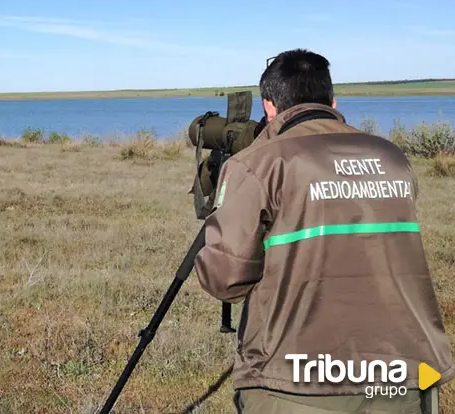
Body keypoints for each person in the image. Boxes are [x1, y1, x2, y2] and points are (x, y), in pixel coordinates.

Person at [193, 49, 454, 413]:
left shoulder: (259, 164)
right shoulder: (392, 157)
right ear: (332, 101)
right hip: (406, 373)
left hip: (297, 384)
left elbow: (225, 281)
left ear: (269, 107)